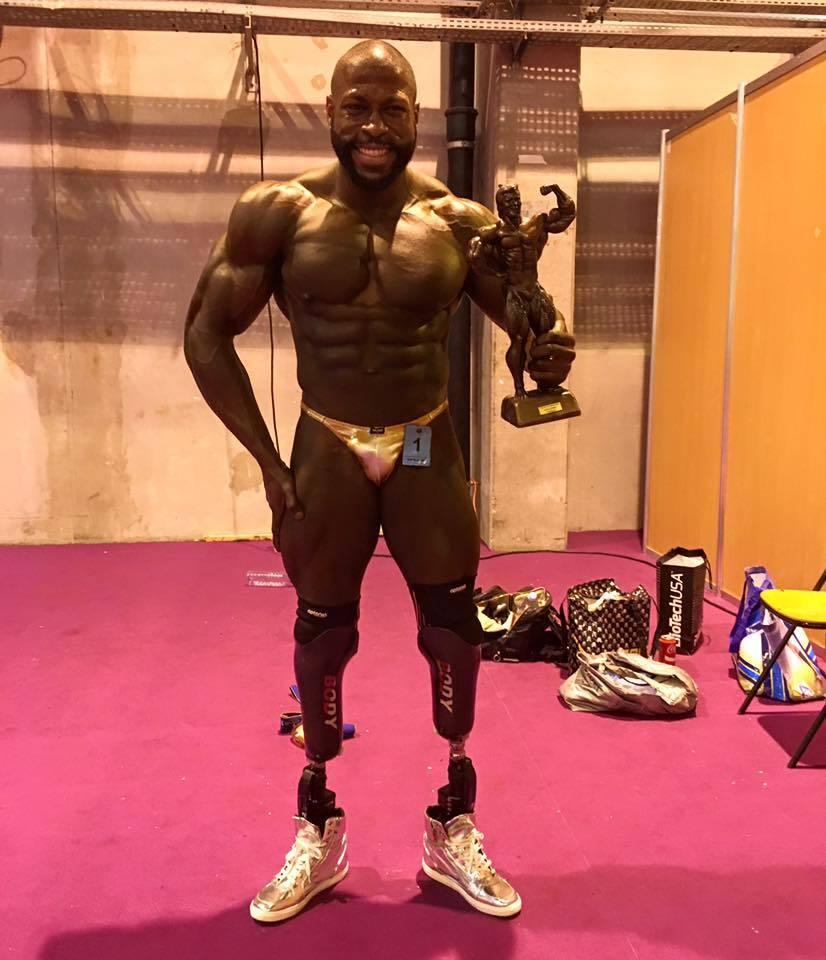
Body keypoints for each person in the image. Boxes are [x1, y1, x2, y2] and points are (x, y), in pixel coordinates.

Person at [184, 39, 575, 923]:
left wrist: (547, 352)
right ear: (330, 112)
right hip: (326, 441)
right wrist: (268, 461)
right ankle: (318, 825)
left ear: (415, 118)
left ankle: (453, 822)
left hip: (425, 440)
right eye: (356, 108)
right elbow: (205, 334)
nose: (373, 127)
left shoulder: (459, 222)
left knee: (453, 630)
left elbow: (527, 329)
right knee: (322, 633)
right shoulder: (277, 213)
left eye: (391, 110)